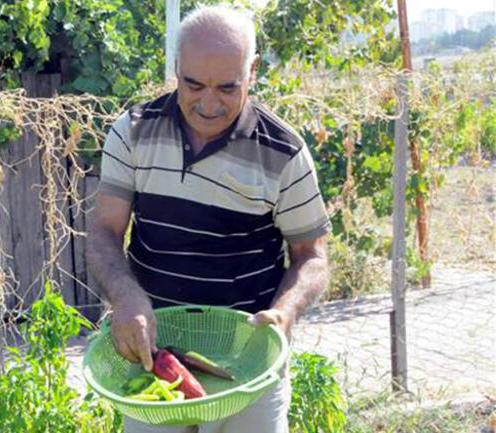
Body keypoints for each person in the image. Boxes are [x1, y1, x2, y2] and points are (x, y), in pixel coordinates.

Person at [86, 4, 331, 433]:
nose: (208, 104)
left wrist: (284, 313)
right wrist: (125, 297)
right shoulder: (133, 131)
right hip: (150, 356)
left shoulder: (284, 152)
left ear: (252, 71)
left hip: (249, 367)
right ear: (177, 67)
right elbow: (105, 232)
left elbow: (312, 255)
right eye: (193, 85)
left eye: (227, 87)